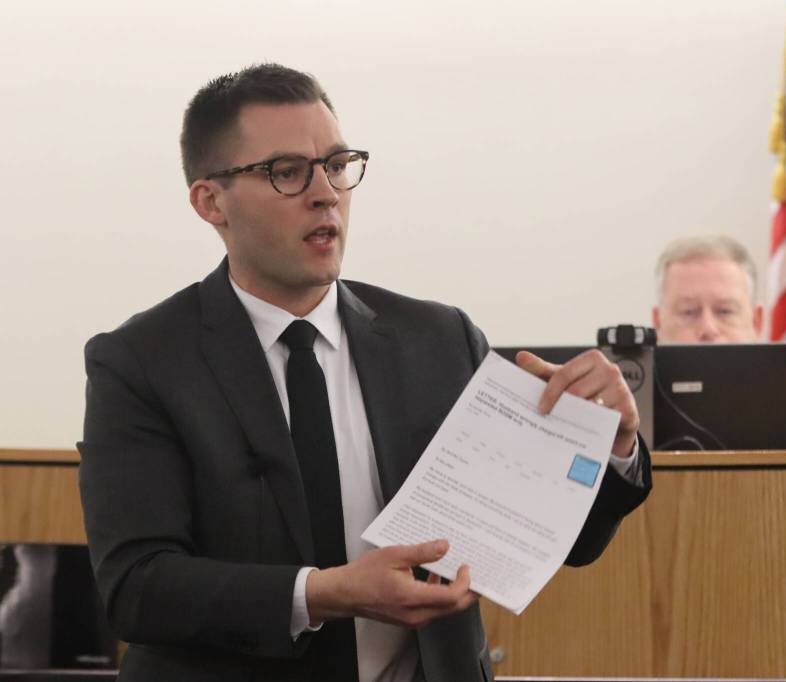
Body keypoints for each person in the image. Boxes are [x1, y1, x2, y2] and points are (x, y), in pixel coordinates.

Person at [77, 63, 651, 682]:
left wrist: (612, 445)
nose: (325, 193)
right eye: (287, 172)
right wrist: (324, 593)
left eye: (337, 164)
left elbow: (556, 543)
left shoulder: (438, 340)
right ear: (210, 201)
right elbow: (137, 587)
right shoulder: (141, 361)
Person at [651, 234, 786, 448]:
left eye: (725, 311)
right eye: (689, 312)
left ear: (757, 321)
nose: (708, 328)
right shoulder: (632, 412)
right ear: (658, 323)